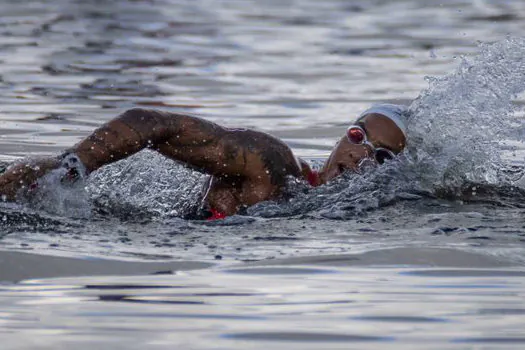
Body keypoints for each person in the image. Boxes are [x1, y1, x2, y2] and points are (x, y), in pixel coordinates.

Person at [0, 104, 407, 219]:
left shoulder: (338, 211)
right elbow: (150, 121)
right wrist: (72, 168)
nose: (359, 157)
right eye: (358, 137)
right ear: (343, 134)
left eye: (382, 157)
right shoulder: (271, 162)